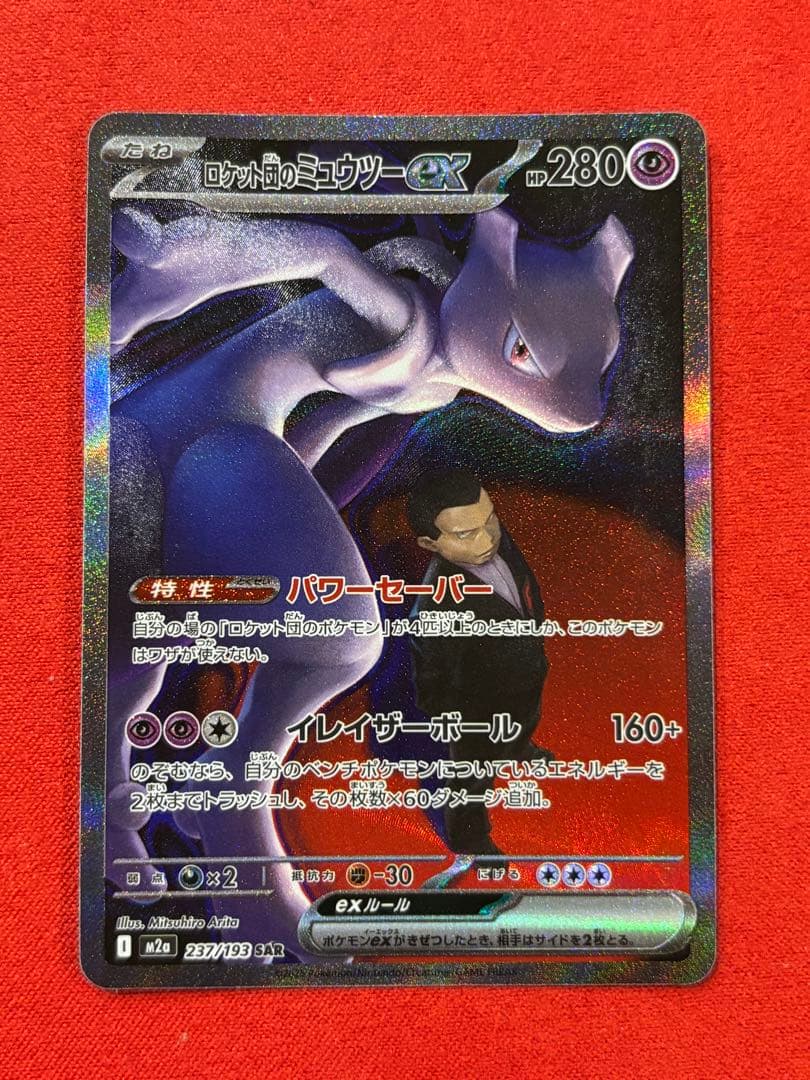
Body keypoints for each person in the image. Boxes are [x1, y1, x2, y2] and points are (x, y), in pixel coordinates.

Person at [406, 469, 551, 858]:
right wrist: (454, 718)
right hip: (475, 709)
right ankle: (469, 838)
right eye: (466, 534)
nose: (487, 540)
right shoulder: (434, 605)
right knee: (471, 776)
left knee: (525, 717)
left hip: (523, 673)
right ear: (429, 543)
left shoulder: (499, 542)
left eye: (490, 520)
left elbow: (524, 586)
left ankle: (518, 748)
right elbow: (431, 674)